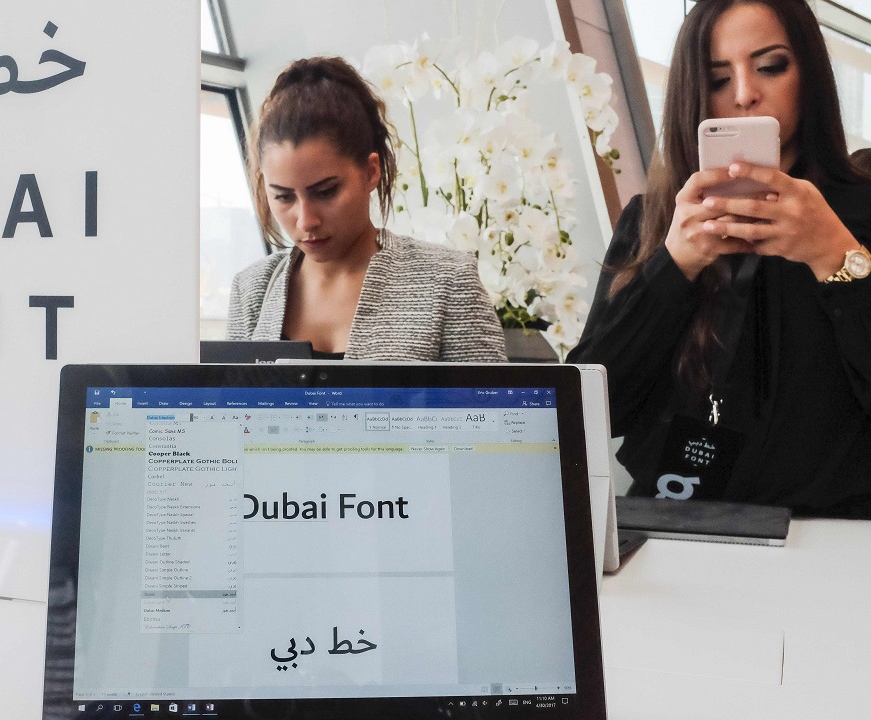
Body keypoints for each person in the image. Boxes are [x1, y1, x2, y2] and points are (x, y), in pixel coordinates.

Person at [568, 0, 871, 517]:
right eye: (717, 78)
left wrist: (836, 256)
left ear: (810, 73)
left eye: (771, 66)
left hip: (834, 537)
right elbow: (590, 414)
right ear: (693, 94)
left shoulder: (858, 210)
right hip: (679, 524)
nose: (746, 94)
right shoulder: (655, 220)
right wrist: (673, 265)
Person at [227, 56, 506, 362]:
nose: (306, 220)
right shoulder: (251, 290)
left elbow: (492, 408)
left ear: (371, 171)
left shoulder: (448, 281)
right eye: (283, 197)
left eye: (326, 191)